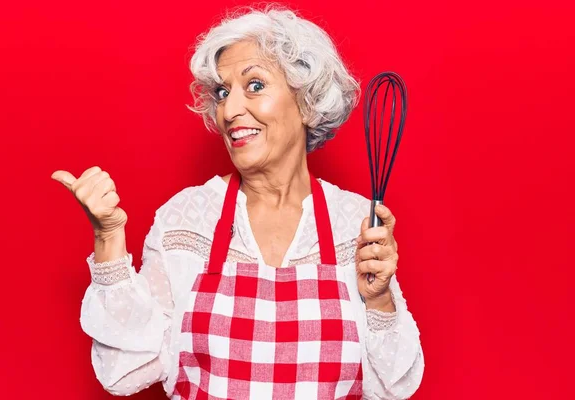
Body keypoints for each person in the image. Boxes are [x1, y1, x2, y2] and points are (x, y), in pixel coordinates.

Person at [51, 6, 424, 399]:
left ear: (307, 102)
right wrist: (108, 238)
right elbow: (125, 372)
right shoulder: (187, 219)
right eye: (224, 92)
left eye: (256, 85)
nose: (229, 110)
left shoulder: (356, 223)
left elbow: (392, 387)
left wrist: (379, 298)